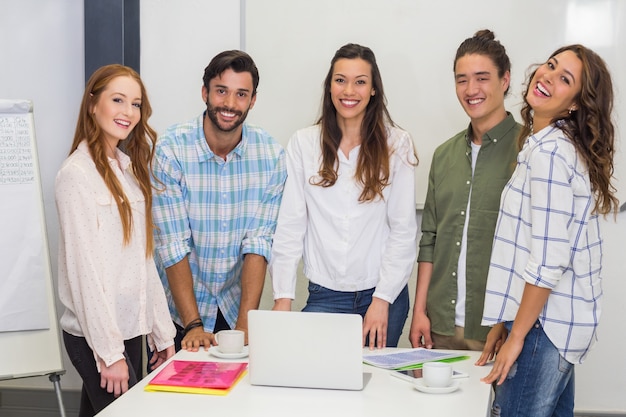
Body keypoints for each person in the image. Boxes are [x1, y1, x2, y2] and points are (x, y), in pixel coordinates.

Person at [476, 44, 618, 417]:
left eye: (564, 79)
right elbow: (530, 249)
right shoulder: (551, 146)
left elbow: (547, 261)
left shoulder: (551, 154)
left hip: (543, 329)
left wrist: (518, 335)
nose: (547, 77)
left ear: (574, 103)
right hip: (550, 326)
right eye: (551, 66)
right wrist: (505, 322)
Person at [270, 43, 418, 349]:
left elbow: (403, 232)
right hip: (325, 296)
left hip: (381, 296)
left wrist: (382, 300)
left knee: (375, 388)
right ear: (329, 86)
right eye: (340, 80)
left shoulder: (397, 144)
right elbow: (290, 226)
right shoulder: (304, 144)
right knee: (316, 384)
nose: (349, 90)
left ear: (374, 89)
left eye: (360, 81)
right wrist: (282, 297)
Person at [55, 64, 176, 416]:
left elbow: (142, 262)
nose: (128, 112)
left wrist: (162, 332)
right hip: (97, 337)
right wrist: (109, 354)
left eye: (136, 104)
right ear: (93, 104)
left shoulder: (128, 172)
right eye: (118, 100)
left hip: (127, 331)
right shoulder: (76, 176)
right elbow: (85, 273)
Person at [151, 50, 287, 352]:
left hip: (233, 306)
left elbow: (258, 243)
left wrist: (245, 326)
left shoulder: (271, 156)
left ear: (252, 100)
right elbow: (172, 244)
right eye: (221, 91)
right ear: (205, 93)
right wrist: (193, 325)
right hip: (177, 310)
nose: (229, 104)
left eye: (241, 94)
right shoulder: (170, 150)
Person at [409, 30, 521, 351]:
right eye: (462, 80)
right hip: (440, 326)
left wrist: (510, 326)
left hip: (497, 330)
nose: (471, 90)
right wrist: (419, 312)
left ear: (505, 80)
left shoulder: (528, 149)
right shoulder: (443, 155)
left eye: (482, 78)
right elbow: (429, 239)